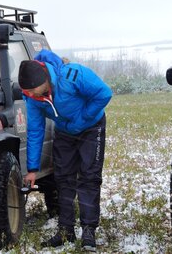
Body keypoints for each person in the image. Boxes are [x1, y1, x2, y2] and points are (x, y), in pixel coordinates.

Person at [18, 49, 112, 252]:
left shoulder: (72, 75)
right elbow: (35, 130)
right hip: (64, 133)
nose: (32, 96)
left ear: (45, 79)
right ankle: (65, 230)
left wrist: (82, 120)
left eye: (33, 91)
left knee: (89, 177)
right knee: (63, 179)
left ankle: (88, 230)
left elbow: (104, 93)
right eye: (28, 93)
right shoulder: (33, 98)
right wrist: (32, 168)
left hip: (91, 127)